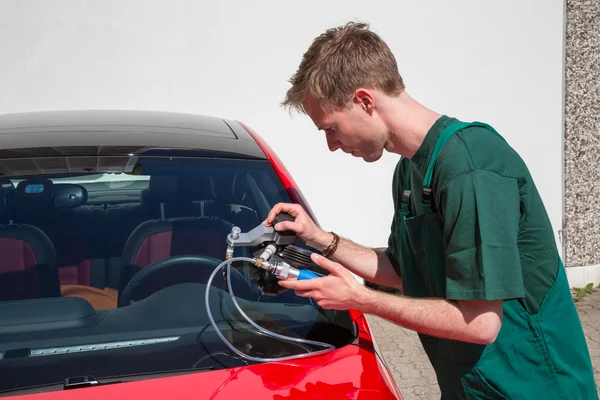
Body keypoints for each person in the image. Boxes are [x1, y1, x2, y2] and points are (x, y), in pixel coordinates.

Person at [264, 21, 598, 399]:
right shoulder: (408, 171)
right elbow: (406, 272)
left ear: (365, 101)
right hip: (473, 389)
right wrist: (322, 240)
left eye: (332, 128)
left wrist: (361, 300)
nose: (332, 144)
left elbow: (480, 323)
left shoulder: (471, 169)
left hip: (533, 389)